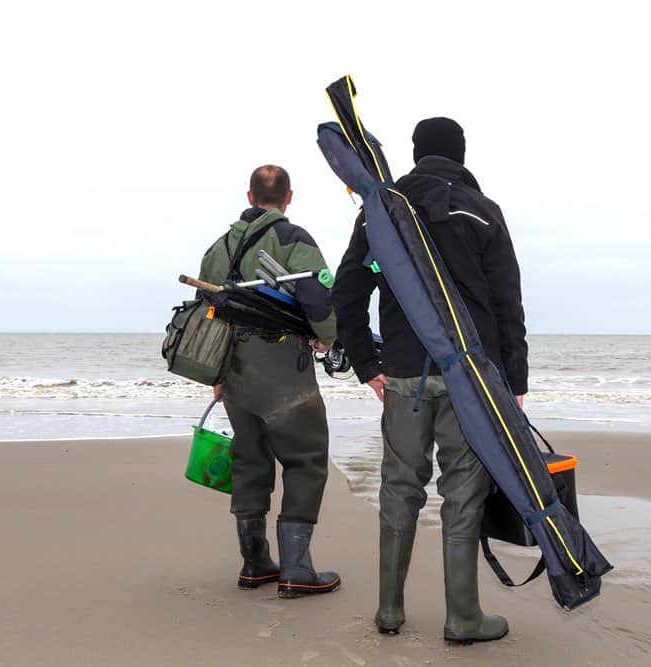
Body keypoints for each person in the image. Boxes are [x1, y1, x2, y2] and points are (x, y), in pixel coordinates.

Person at [332, 118, 528, 643]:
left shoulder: (385, 209)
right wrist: (516, 382)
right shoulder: (484, 213)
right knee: (463, 492)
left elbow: (349, 289)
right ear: (461, 155)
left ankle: (389, 612)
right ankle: (463, 617)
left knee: (400, 487)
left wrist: (366, 365)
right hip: (471, 379)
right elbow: (508, 305)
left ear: (416, 154)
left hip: (401, 376)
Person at [198, 164, 340, 598]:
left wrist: (216, 375)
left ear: (249, 196)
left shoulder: (218, 248)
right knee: (306, 459)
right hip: (283, 368)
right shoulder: (295, 239)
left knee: (250, 460)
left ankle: (255, 564)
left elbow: (206, 308)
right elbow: (319, 297)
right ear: (289, 198)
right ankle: (296, 570)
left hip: (233, 368)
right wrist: (328, 338)